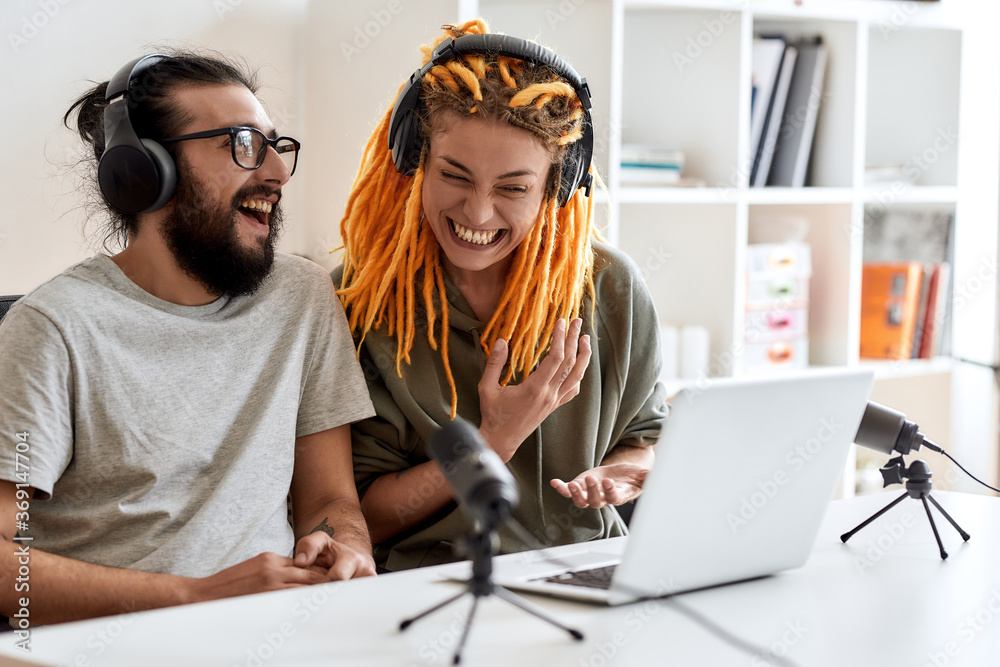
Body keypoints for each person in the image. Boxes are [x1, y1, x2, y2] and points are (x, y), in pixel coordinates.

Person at [0, 51, 377, 626]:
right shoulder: (53, 328)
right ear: (145, 171)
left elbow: (329, 501)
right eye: (243, 144)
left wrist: (343, 548)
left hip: (276, 639)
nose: (275, 173)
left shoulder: (300, 295)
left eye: (276, 146)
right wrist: (198, 597)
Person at [334, 20, 668, 572]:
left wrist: (628, 474)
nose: (478, 213)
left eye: (513, 188)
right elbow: (358, 518)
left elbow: (644, 437)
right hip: (437, 585)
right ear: (414, 159)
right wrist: (491, 441)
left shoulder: (612, 288)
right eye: (455, 176)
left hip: (590, 570)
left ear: (556, 189)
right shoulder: (361, 303)